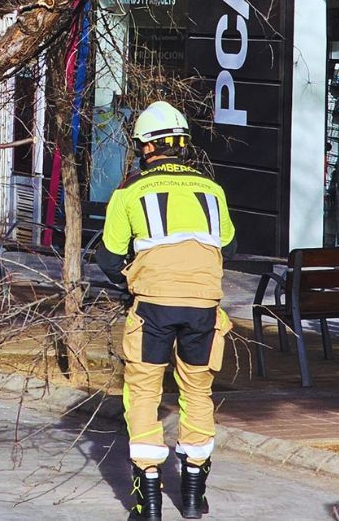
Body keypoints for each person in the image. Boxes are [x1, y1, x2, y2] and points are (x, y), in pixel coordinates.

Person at [97, 101, 237, 521]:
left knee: (144, 393)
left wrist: (133, 285)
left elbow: (108, 258)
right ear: (184, 146)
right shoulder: (212, 190)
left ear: (145, 148)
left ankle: (148, 500)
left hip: (153, 306)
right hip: (203, 308)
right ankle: (194, 495)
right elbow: (227, 244)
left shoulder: (129, 192)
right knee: (197, 392)